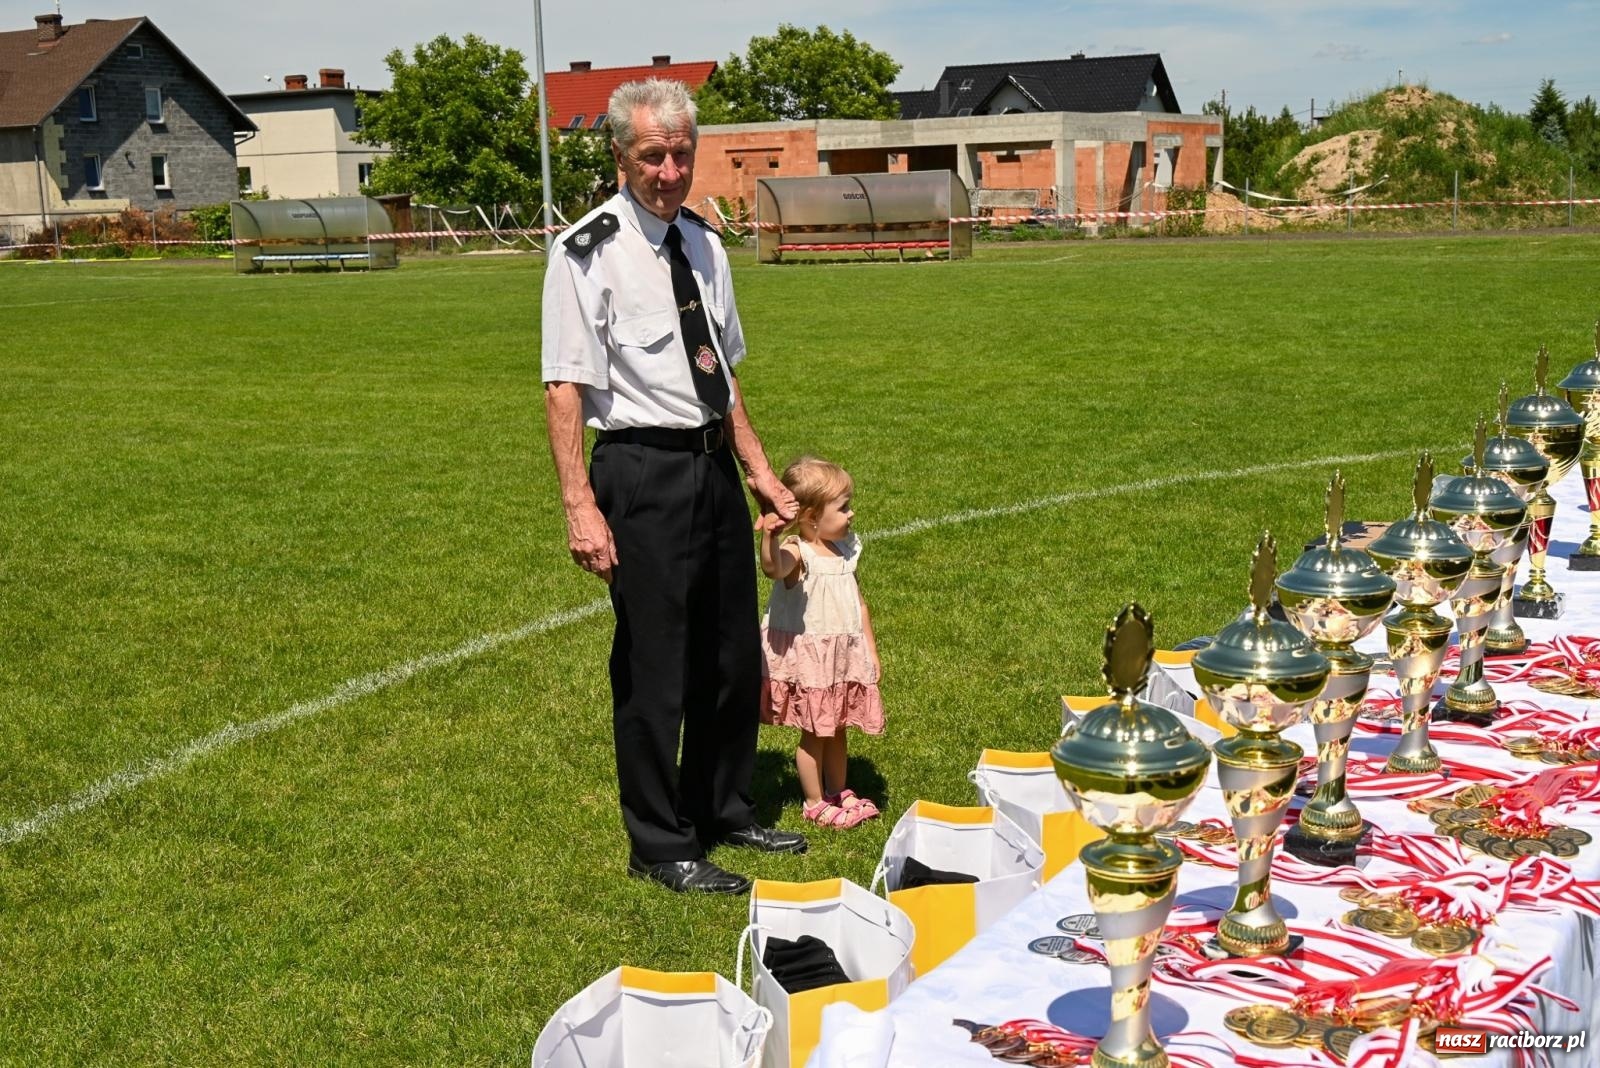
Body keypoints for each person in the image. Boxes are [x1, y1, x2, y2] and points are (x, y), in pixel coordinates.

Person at [541, 79, 807, 895]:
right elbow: (564, 388)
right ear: (621, 155)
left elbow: (720, 378)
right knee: (656, 664)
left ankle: (723, 805)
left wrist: (758, 471)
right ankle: (660, 843)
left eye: (681, 152)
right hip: (640, 470)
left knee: (730, 653)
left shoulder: (705, 244)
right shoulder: (584, 252)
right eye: (653, 154)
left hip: (711, 465)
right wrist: (581, 507)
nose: (669, 169)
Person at [757, 457, 885, 829]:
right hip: (813, 660)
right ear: (812, 517)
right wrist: (770, 536)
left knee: (839, 726)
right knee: (815, 730)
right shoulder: (800, 553)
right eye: (843, 507)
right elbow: (772, 568)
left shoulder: (846, 551)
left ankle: (838, 789)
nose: (851, 513)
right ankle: (814, 800)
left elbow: (860, 604)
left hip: (843, 657)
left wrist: (870, 650)